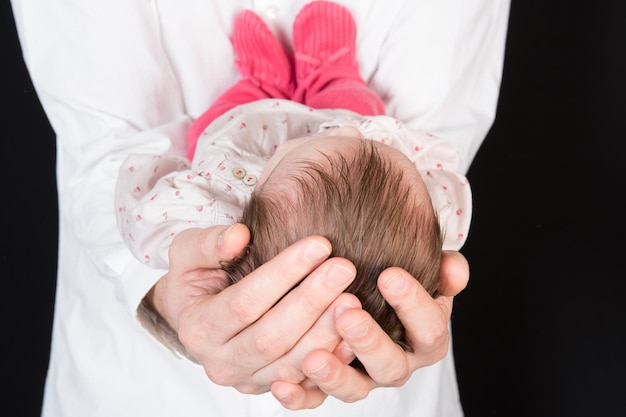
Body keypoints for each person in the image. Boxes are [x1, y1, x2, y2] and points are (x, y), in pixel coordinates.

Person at [11, 0, 510, 415]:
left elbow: (136, 181)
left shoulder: (222, 179)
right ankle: (327, 73)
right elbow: (101, 143)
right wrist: (167, 291)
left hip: (378, 382)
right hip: (138, 384)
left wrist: (173, 224)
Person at [115, 0, 471, 373]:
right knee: (355, 104)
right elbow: (443, 174)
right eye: (361, 143)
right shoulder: (364, 142)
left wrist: (170, 238)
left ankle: (260, 79)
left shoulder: (220, 200)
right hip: (349, 117)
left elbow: (139, 199)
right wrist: (379, 145)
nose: (339, 130)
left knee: (208, 126)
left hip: (249, 125)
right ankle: (330, 69)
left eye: (301, 148)